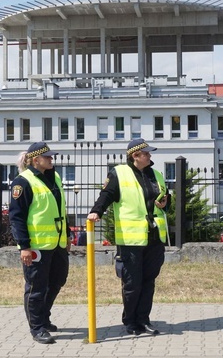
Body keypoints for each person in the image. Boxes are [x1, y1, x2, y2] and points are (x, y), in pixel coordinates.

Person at [87, 138, 169, 336]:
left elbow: (165, 198)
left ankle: (144, 320)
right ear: (135, 156)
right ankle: (130, 321)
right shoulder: (119, 173)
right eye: (146, 153)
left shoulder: (156, 174)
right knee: (132, 283)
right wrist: (96, 211)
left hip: (154, 236)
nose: (150, 156)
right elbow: (106, 195)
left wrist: (166, 202)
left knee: (149, 281)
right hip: (131, 239)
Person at [8, 141, 71, 344]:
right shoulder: (22, 182)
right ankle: (37, 327)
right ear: (36, 160)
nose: (52, 159)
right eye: (48, 157)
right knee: (36, 287)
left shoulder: (54, 178)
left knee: (58, 280)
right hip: (36, 246)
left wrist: (67, 235)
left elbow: (60, 209)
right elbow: (16, 217)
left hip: (57, 243)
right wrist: (24, 246)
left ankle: (43, 317)